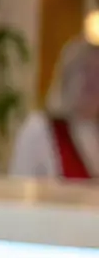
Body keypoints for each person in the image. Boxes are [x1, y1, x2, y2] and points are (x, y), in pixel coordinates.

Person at [9, 37, 99, 179]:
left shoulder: (94, 132)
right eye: (86, 70)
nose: (93, 81)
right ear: (66, 79)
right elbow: (21, 190)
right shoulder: (40, 130)